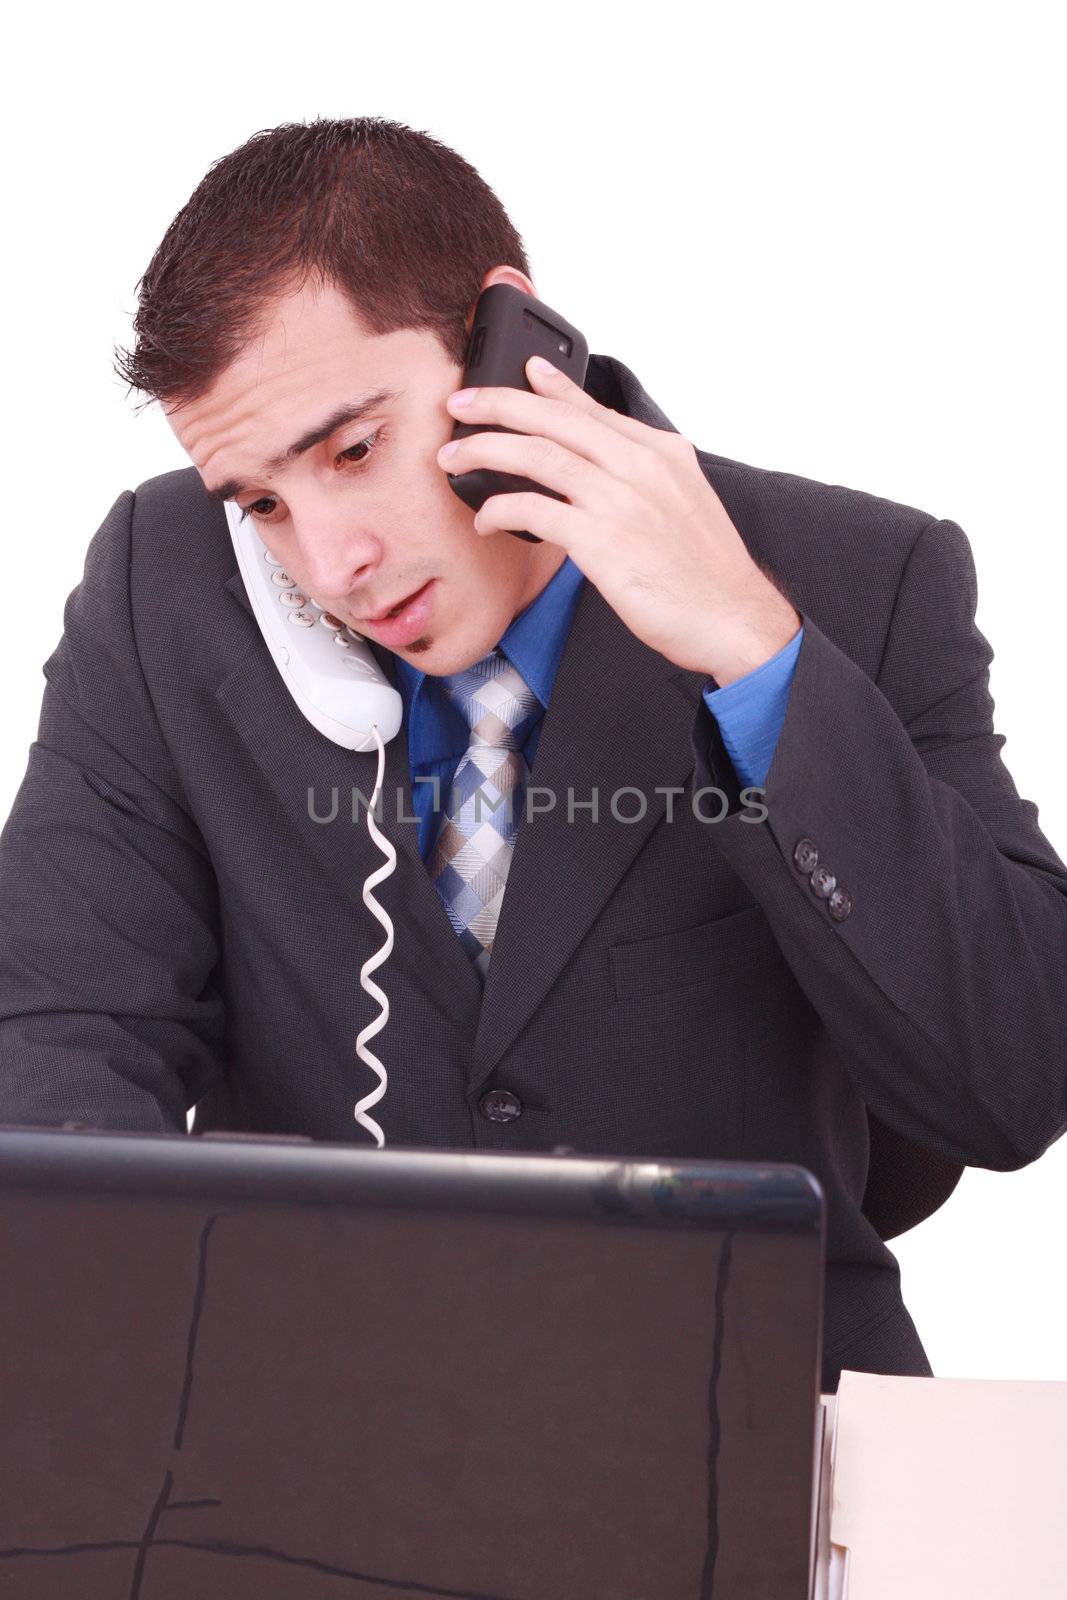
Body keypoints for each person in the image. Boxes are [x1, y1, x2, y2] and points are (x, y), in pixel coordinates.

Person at [2, 116, 1065, 1393]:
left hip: (746, 1420)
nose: (330, 564)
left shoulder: (861, 578)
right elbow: (55, 1042)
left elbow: (1008, 1085)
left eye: (354, 450)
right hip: (300, 1444)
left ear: (505, 338)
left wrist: (750, 648)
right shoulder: (162, 589)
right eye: (265, 503)